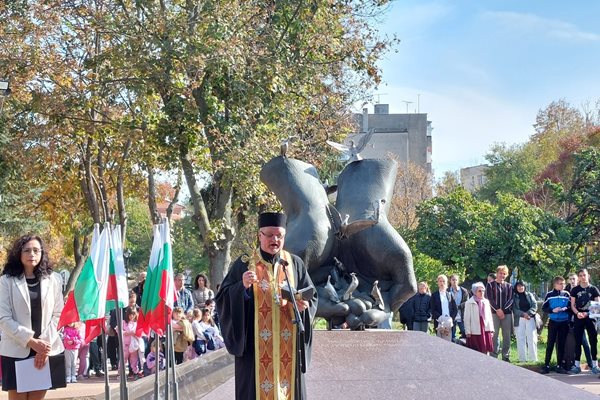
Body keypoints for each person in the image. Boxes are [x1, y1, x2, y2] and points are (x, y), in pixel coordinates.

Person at [216, 212, 317, 400]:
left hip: (288, 348)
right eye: (270, 235)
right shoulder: (245, 263)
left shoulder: (294, 263)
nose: (275, 240)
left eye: (279, 235)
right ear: (259, 235)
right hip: (255, 350)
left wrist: (304, 305)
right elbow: (223, 299)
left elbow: (311, 295)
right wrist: (242, 287)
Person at [0, 234, 66, 398]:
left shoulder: (54, 279)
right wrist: (31, 341)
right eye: (27, 250)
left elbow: (59, 314)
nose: (32, 254)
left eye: (36, 250)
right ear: (19, 254)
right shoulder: (6, 281)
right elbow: (4, 318)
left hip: (45, 350)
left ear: (42, 253)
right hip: (16, 350)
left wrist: (43, 346)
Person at [569, 268, 600, 374]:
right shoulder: (575, 290)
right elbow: (572, 305)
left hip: (591, 317)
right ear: (579, 277)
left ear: (588, 276)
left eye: (584, 275)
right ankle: (577, 365)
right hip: (579, 317)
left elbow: (597, 305)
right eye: (581, 275)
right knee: (578, 341)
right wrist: (577, 313)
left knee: (593, 341)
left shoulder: (594, 289)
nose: (583, 277)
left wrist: (587, 313)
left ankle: (595, 365)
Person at [540, 276, 570, 374]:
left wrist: (565, 309)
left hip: (564, 322)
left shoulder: (566, 294)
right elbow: (544, 308)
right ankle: (546, 365)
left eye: (564, 283)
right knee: (550, 343)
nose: (563, 285)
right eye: (561, 283)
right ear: (555, 284)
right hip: (553, 322)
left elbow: (570, 306)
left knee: (561, 344)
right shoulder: (549, 294)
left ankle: (559, 365)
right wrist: (552, 310)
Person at [565, 272, 593, 372]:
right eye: (570, 279)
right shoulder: (565, 291)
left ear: (578, 280)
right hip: (568, 320)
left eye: (574, 279)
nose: (572, 281)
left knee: (584, 342)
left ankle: (591, 364)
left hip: (581, 319)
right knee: (570, 344)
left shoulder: (581, 290)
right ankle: (569, 364)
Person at [485, 265, 514, 361]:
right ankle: (494, 355)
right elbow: (489, 299)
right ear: (497, 273)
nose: (502, 275)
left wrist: (503, 310)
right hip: (494, 313)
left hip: (507, 314)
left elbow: (510, 299)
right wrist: (497, 310)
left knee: (506, 335)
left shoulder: (509, 286)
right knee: (494, 335)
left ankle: (505, 356)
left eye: (504, 274)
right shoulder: (490, 285)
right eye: (500, 273)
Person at [464, 282, 494, 354]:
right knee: (476, 349)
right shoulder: (469, 303)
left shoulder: (486, 302)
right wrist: (468, 331)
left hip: (485, 327)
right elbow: (467, 318)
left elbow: (489, 317)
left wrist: (491, 329)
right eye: (479, 291)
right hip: (475, 328)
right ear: (475, 292)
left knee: (486, 347)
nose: (482, 292)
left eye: (483, 290)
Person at [512, 281, 538, 363]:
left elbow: (535, 305)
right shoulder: (514, 296)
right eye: (518, 286)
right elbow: (514, 309)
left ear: (524, 287)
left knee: (532, 338)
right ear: (516, 287)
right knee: (520, 338)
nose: (520, 288)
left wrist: (528, 313)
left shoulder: (529, 295)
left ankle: (533, 358)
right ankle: (522, 359)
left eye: (522, 286)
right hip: (519, 318)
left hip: (530, 318)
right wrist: (523, 314)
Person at [430, 275, 457, 341]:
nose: (442, 283)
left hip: (449, 321)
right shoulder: (434, 295)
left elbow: (455, 309)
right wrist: (440, 318)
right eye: (440, 281)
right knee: (440, 342)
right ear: (438, 283)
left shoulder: (450, 295)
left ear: (447, 283)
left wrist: (451, 318)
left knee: (449, 341)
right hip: (439, 320)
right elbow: (432, 309)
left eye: (444, 281)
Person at [449, 274, 469, 342]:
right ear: (450, 281)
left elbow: (467, 302)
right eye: (453, 280)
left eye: (456, 280)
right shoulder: (447, 291)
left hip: (461, 315)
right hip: (452, 315)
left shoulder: (464, 291)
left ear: (458, 281)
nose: (454, 281)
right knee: (452, 333)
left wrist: (459, 306)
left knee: (464, 331)